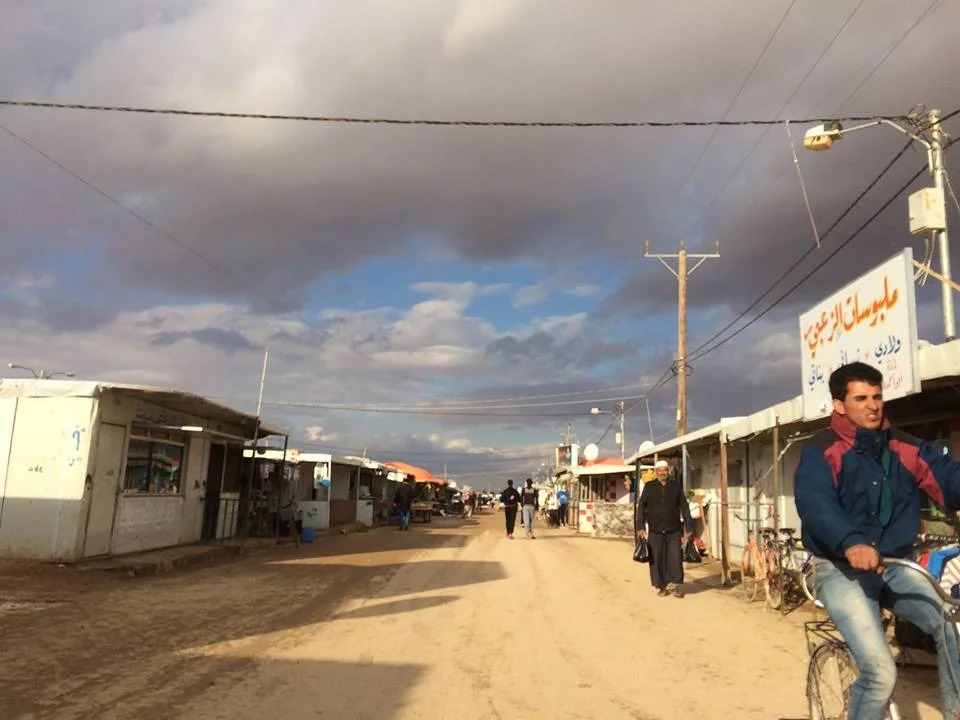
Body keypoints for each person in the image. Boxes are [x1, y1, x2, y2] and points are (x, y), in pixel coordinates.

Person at [795, 362, 960, 720]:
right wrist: (851, 541)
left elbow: (949, 479)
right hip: (841, 568)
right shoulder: (820, 450)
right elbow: (816, 504)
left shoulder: (906, 448)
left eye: (877, 396)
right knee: (880, 673)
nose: (873, 405)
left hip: (896, 565)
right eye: (861, 398)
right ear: (839, 405)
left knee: (954, 624)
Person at [636, 460, 693, 598]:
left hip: (673, 531)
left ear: (668, 471)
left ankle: (675, 585)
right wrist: (641, 527)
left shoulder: (675, 487)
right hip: (655, 531)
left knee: (674, 559)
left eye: (665, 470)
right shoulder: (649, 487)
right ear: (656, 472)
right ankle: (662, 586)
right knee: (657, 561)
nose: (662, 473)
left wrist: (689, 527)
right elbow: (641, 508)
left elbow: (684, 507)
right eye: (660, 470)